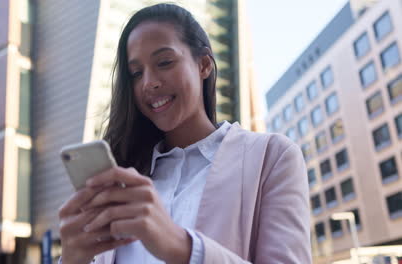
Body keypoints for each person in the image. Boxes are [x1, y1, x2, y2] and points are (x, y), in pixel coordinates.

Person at [58, 3, 311, 264]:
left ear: (203, 65)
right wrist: (71, 258)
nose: (149, 83)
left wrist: (180, 246)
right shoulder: (124, 176)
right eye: (136, 73)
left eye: (164, 62)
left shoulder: (272, 157)